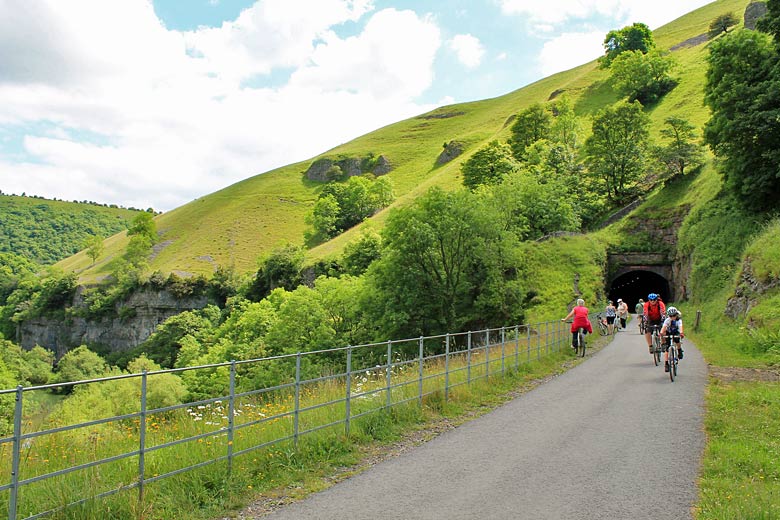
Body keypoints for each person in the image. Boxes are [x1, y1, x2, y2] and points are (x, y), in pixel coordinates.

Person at [659, 306, 684, 372]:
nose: (673, 317)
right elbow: (663, 328)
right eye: (671, 316)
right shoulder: (667, 320)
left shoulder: (678, 320)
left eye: (674, 315)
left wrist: (681, 333)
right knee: (667, 349)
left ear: (676, 314)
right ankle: (666, 364)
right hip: (668, 332)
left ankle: (679, 350)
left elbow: (680, 327)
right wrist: (661, 334)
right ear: (669, 316)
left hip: (675, 331)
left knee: (677, 340)